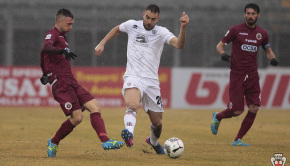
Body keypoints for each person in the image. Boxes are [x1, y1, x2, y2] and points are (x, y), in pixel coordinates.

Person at [95, 4, 189, 154]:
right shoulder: (132, 25)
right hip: (133, 76)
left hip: (151, 82)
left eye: (153, 19)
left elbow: (179, 44)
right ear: (143, 14)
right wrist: (102, 43)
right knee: (132, 104)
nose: (149, 21)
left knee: (158, 123)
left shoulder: (161, 32)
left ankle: (153, 141)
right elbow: (117, 29)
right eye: (147, 17)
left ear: (158, 19)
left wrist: (183, 27)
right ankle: (129, 133)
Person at [40, 8, 124, 157]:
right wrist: (50, 68)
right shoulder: (51, 34)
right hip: (61, 84)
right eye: (68, 24)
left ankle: (106, 141)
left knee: (95, 106)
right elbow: (45, 48)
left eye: (72, 24)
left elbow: (45, 54)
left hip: (71, 81)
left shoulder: (62, 36)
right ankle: (53, 142)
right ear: (59, 21)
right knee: (77, 118)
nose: (70, 27)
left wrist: (45, 71)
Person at [211, 3, 279, 146]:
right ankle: (218, 116)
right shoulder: (236, 30)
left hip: (253, 75)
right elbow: (220, 45)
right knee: (236, 111)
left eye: (253, 14)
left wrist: (272, 58)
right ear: (244, 15)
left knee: (254, 108)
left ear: (258, 15)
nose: (250, 16)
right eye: (248, 13)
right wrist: (223, 54)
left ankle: (237, 140)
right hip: (237, 74)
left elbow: (268, 50)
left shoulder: (262, 33)